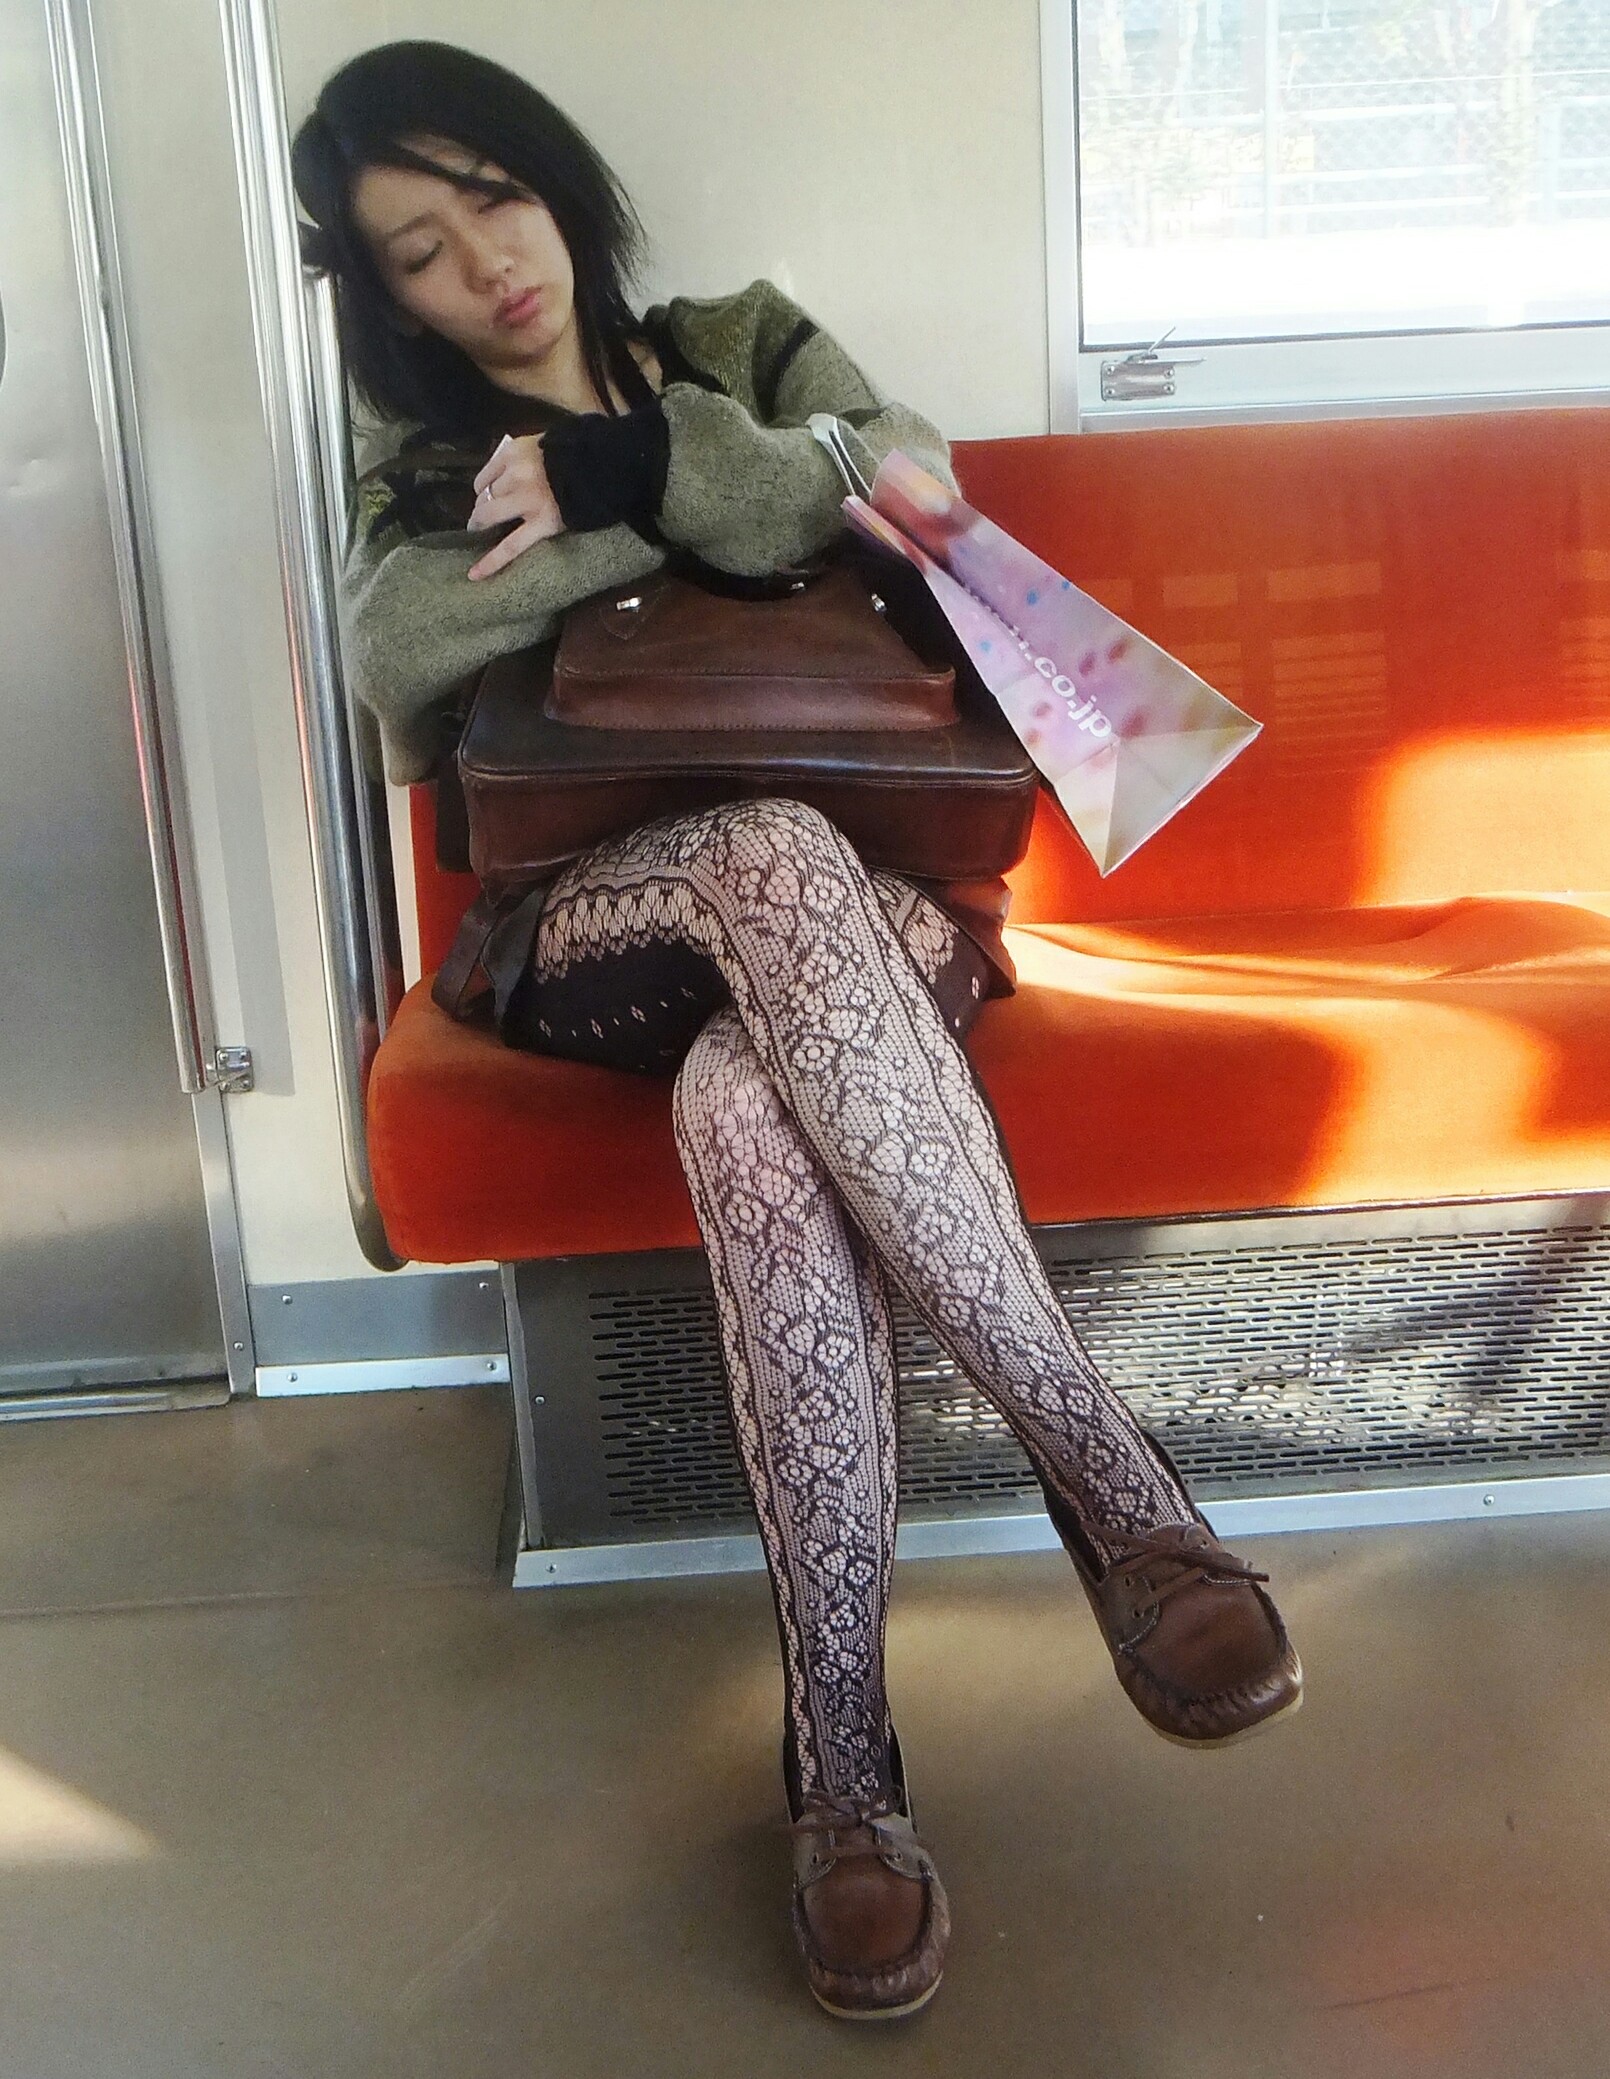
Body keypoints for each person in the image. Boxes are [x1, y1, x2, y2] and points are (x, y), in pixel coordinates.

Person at [293, 40, 1302, 2023]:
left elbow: (912, 484)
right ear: (391, 298)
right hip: (598, 920)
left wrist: (617, 474)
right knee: (760, 847)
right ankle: (1118, 1494)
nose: (481, 264)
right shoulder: (422, 454)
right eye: (417, 251)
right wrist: (747, 504)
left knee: (756, 1107)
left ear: (553, 181)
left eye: (491, 197)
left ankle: (843, 1773)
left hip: (889, 904)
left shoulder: (738, 339)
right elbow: (402, 649)